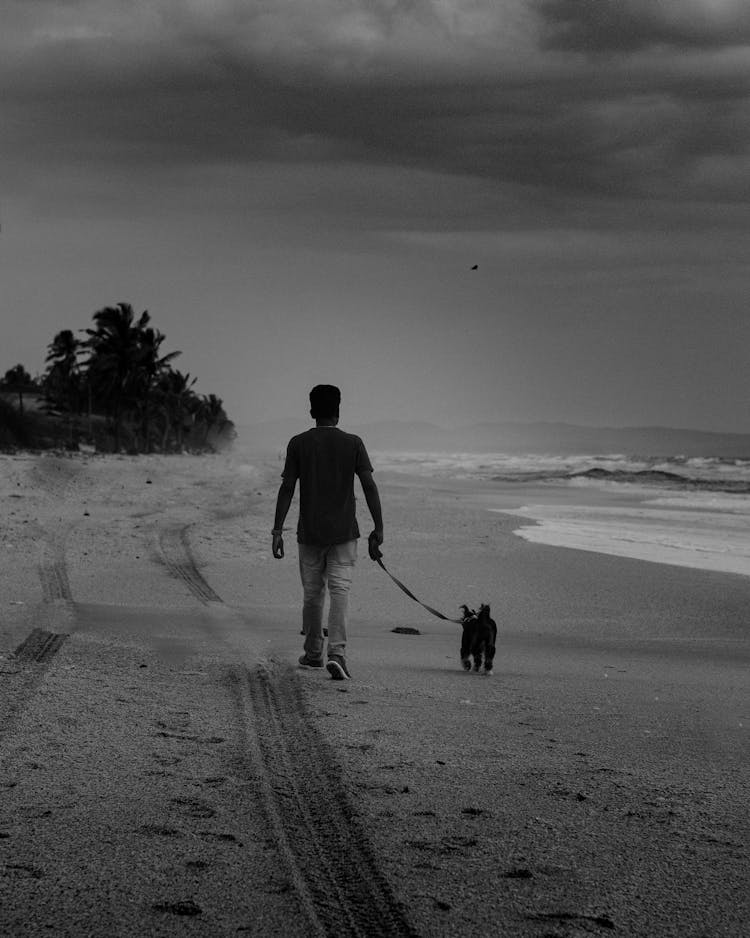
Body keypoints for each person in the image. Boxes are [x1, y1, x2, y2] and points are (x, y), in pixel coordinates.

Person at [271, 385, 384, 680]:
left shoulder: (298, 443)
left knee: (312, 594)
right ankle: (337, 653)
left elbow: (287, 488)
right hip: (345, 533)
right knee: (340, 591)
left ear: (311, 412)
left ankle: (312, 653)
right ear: (338, 411)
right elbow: (369, 486)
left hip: (309, 533)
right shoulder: (354, 443)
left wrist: (276, 530)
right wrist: (378, 528)